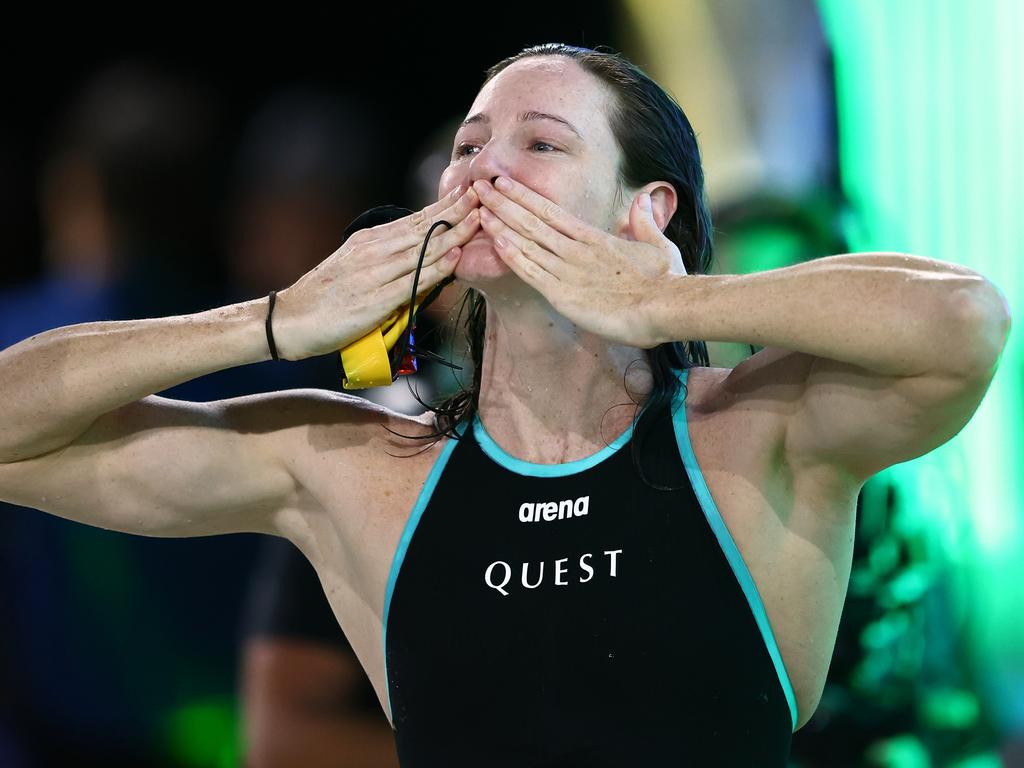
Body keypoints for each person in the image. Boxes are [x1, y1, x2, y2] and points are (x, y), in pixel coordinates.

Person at [0, 43, 1011, 767]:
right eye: (470, 146)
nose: (482, 167)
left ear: (643, 208)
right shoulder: (359, 469)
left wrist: (666, 300)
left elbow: (965, 323)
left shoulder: (752, 430)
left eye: (538, 143)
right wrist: (273, 320)